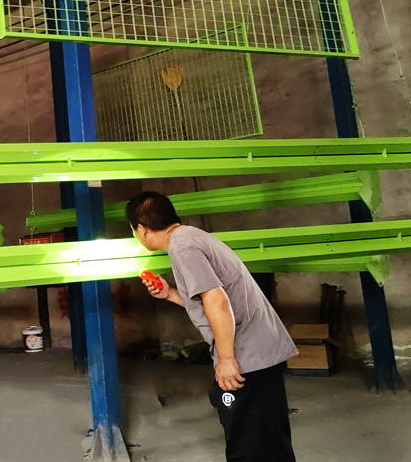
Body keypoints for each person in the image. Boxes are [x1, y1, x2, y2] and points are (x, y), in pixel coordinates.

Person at [127, 190, 298, 462]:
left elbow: (217, 301)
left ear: (142, 230)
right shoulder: (192, 237)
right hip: (262, 349)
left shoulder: (183, 248)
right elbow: (209, 301)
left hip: (247, 356)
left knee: (247, 444)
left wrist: (227, 359)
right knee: (271, 440)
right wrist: (170, 293)